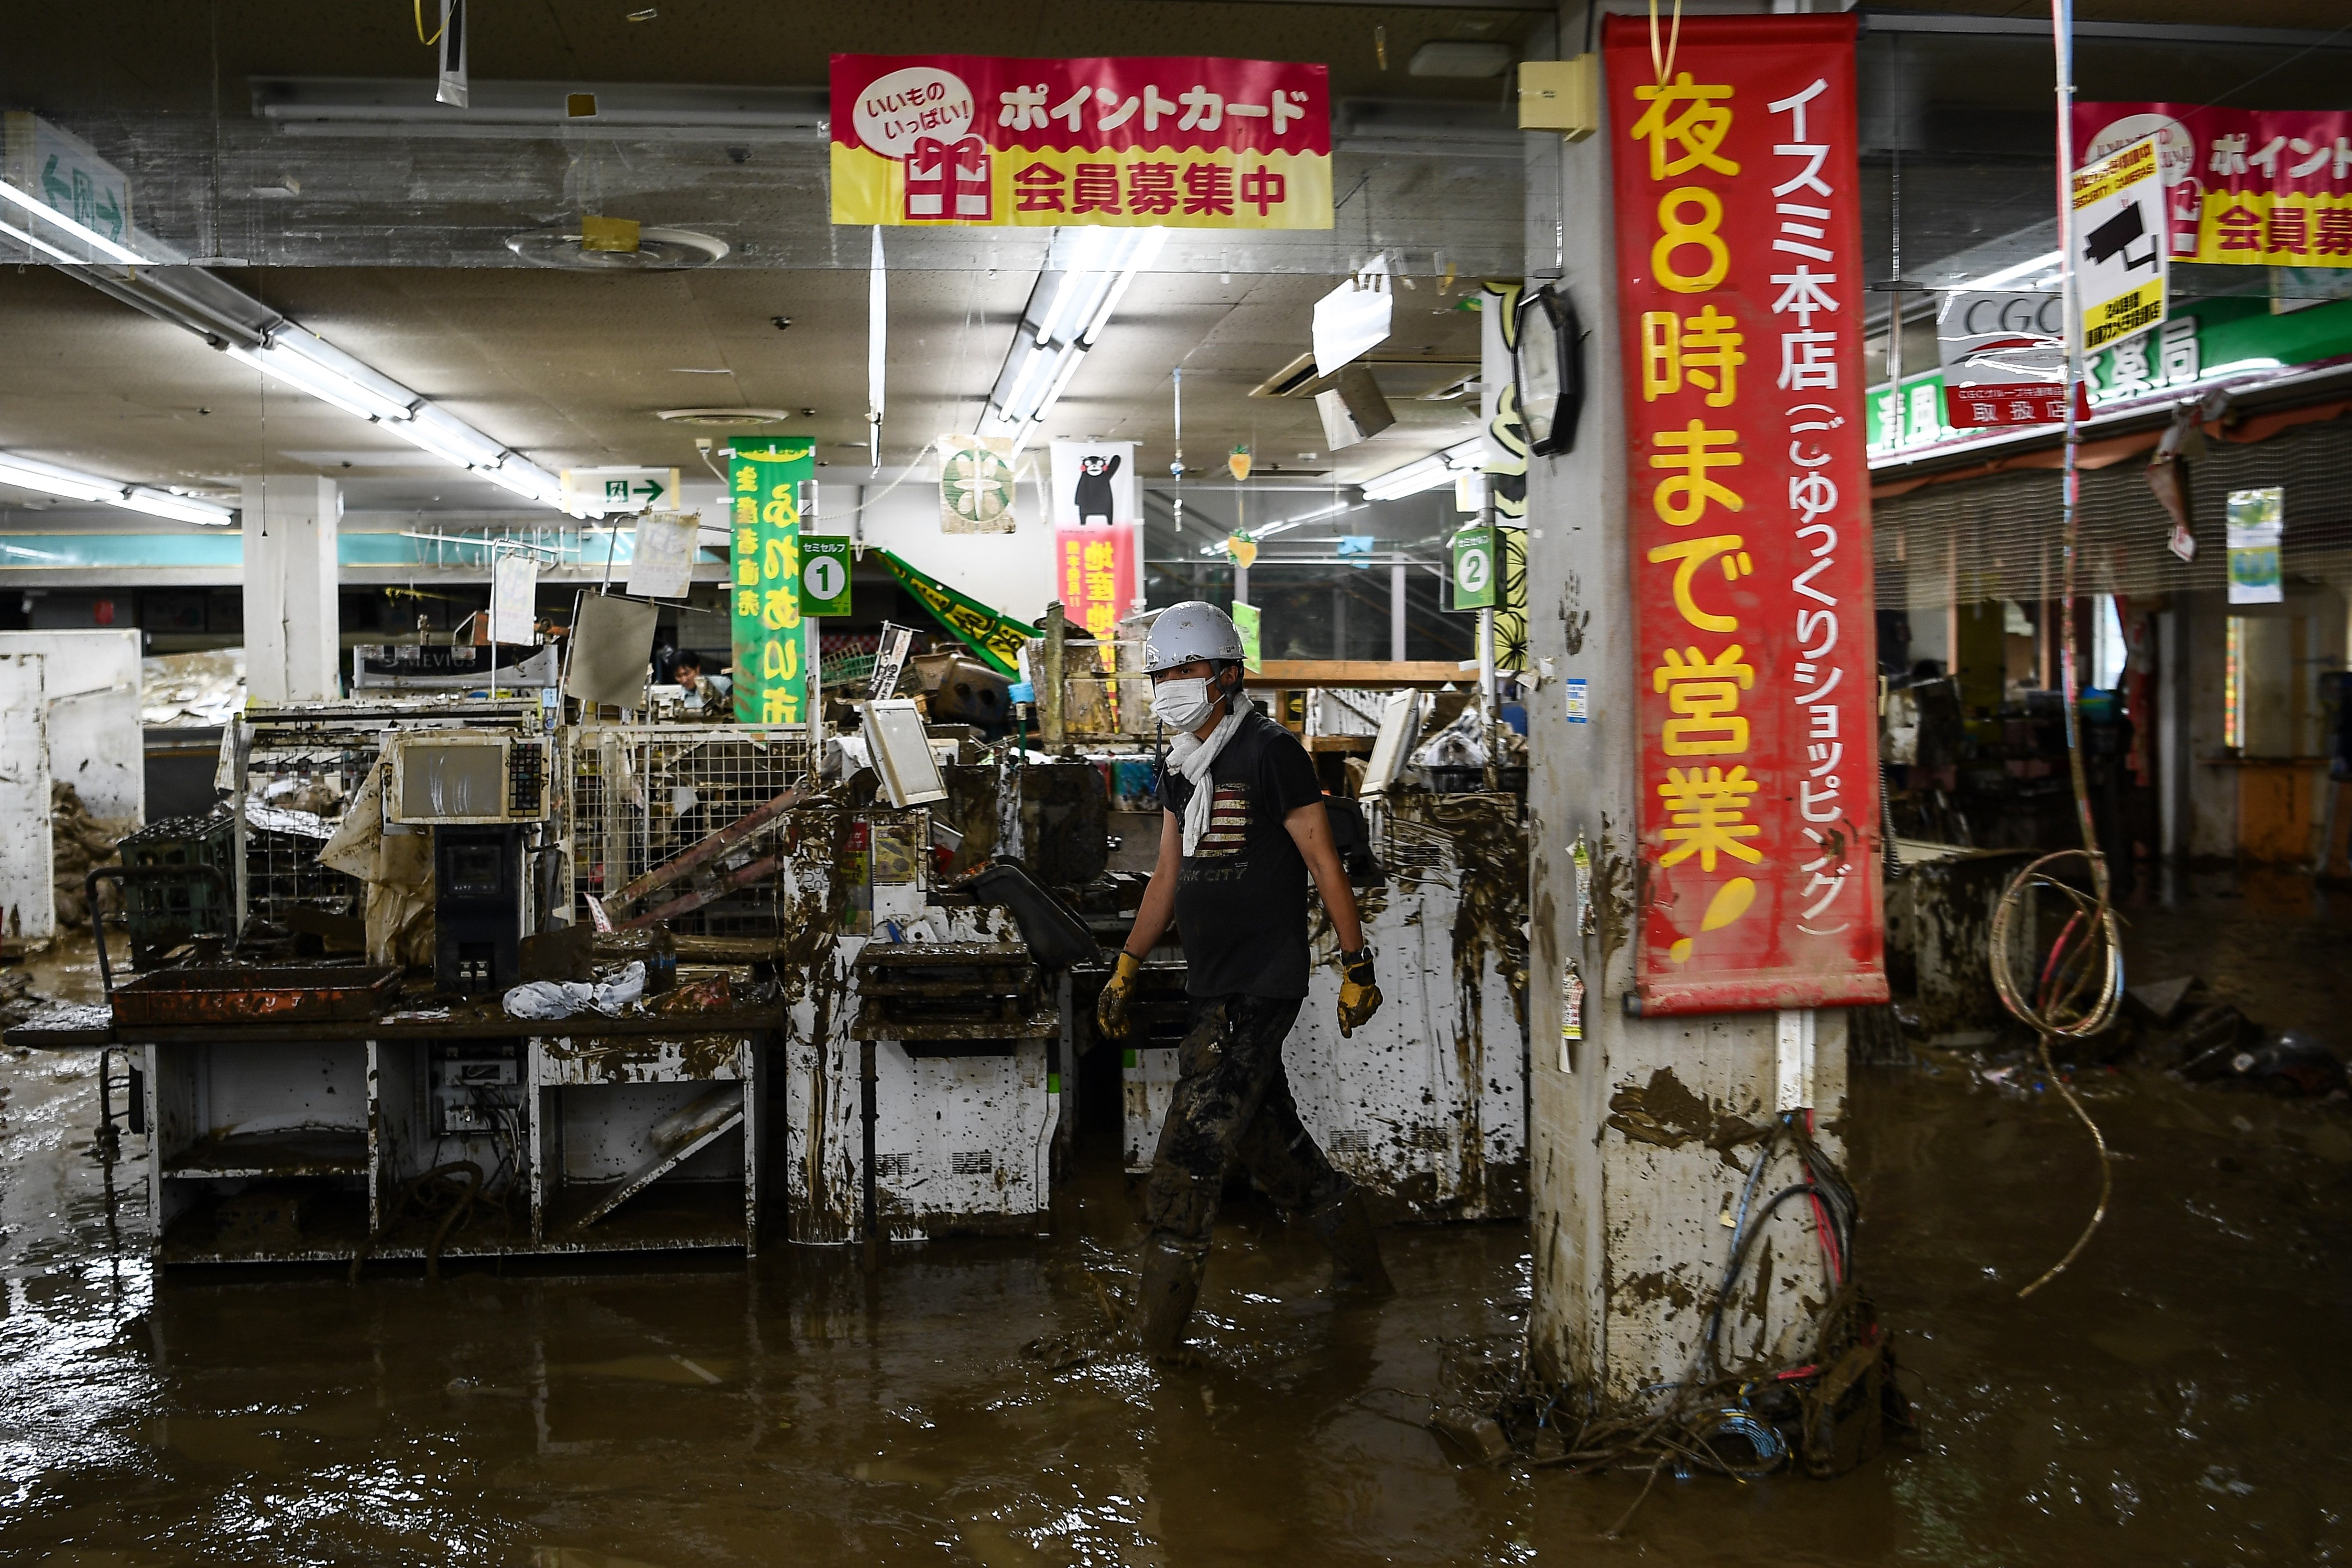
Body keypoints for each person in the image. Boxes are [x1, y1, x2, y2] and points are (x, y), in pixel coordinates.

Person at [1095, 600, 1391, 1358]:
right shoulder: (1179, 763)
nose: (1169, 685)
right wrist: (1127, 963)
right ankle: (1371, 1285)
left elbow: (1324, 860)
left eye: (1184, 670)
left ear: (1227, 674)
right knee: (1277, 1154)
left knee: (1185, 1165)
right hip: (1213, 981)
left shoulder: (1269, 750)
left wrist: (1357, 965)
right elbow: (1167, 874)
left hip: (1260, 984)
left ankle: (1153, 1359)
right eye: (1160, 673)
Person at [673, 650, 732, 717]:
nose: (684, 680)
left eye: (687, 674)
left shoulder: (722, 684)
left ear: (697, 669)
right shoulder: (678, 696)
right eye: (678, 676)